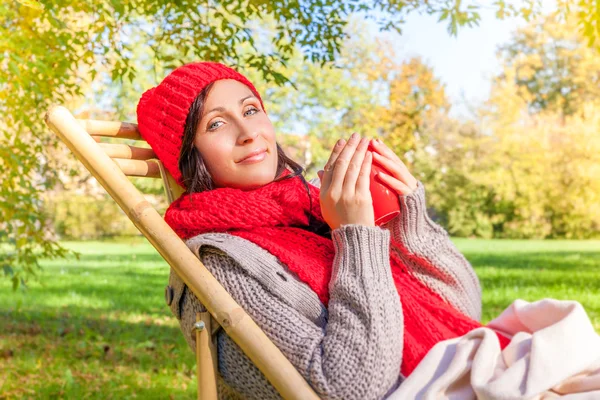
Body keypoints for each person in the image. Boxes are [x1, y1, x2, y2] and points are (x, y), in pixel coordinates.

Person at [135, 62, 507, 399]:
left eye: (251, 110)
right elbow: (349, 389)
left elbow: (462, 311)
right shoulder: (218, 261)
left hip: (463, 375)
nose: (248, 131)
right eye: (216, 123)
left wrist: (408, 222)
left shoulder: (313, 210)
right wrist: (358, 237)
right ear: (188, 155)